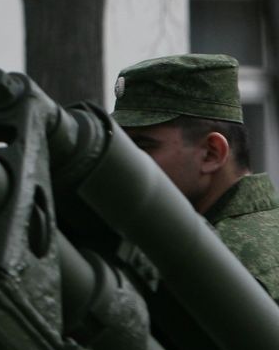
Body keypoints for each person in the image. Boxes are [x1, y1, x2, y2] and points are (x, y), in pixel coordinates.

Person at [114, 52, 279, 298]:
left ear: (211, 154)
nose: (125, 161)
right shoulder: (200, 243)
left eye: (143, 146)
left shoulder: (236, 264)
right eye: (121, 146)